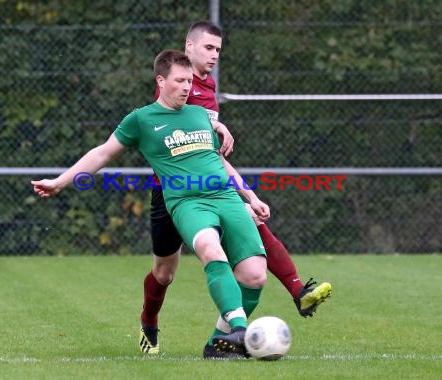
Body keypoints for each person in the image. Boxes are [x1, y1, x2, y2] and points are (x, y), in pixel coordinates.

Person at [32, 49, 268, 358]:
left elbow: (219, 162)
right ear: (161, 80)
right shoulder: (141, 119)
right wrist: (60, 181)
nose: (187, 87)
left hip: (224, 197)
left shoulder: (199, 114)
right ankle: (234, 328)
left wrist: (250, 196)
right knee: (182, 264)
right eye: (180, 81)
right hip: (186, 202)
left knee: (255, 276)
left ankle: (219, 343)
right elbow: (102, 153)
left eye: (189, 81)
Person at [139, 21, 332, 359]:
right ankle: (149, 323)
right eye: (209, 48)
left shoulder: (208, 86)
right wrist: (216, 125)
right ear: (189, 47)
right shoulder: (177, 83)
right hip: (173, 195)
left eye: (218, 50)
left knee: (250, 230)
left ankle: (242, 327)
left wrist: (249, 196)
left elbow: (211, 155)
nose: (214, 56)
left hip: (212, 192)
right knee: (164, 274)